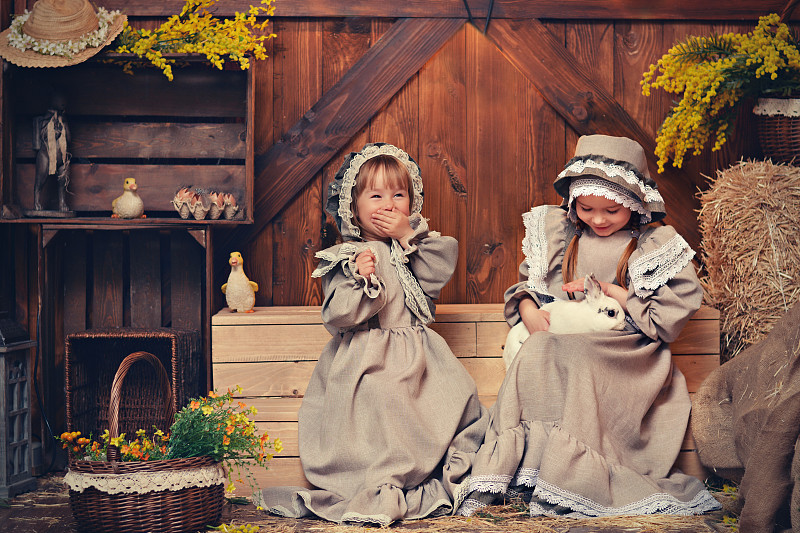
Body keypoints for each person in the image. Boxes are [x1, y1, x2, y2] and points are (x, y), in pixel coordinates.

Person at [457, 134, 721, 518]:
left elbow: (668, 318)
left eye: (611, 211)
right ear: (573, 201)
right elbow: (531, 286)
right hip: (566, 335)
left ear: (635, 203)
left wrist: (618, 291)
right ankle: (530, 463)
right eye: (587, 209)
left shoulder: (653, 244)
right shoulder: (562, 234)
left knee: (574, 355)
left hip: (626, 347)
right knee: (539, 350)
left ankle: (577, 473)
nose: (598, 219)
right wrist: (529, 308)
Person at [256, 142, 489, 525]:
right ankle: (379, 477)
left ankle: (423, 468)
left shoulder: (414, 249)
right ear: (354, 206)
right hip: (365, 359)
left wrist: (406, 236)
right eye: (376, 195)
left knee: (456, 394)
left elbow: (437, 273)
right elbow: (337, 316)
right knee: (383, 395)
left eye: (399, 195)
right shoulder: (348, 256)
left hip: (418, 356)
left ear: (411, 204)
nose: (388, 204)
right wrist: (361, 277)